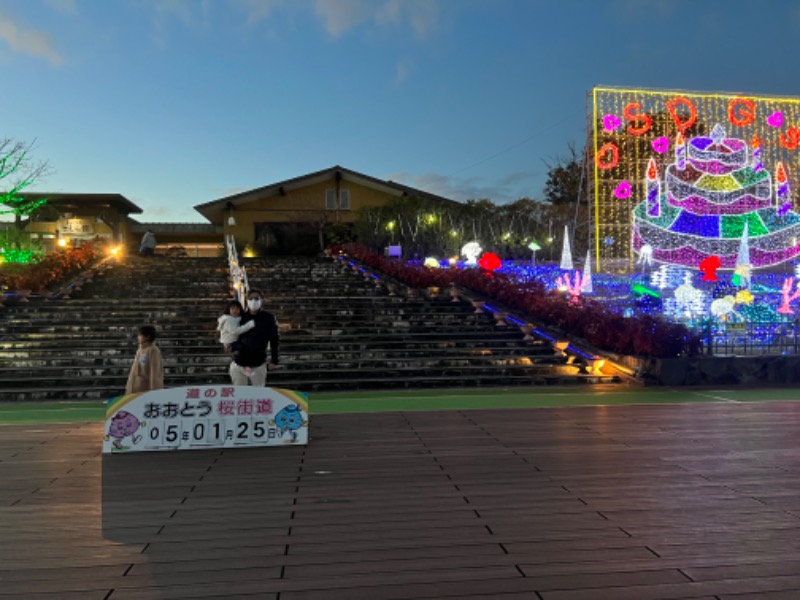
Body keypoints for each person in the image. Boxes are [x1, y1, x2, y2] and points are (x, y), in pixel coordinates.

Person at [229, 289, 280, 386]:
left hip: (258, 364)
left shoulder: (268, 318)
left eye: (256, 298)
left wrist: (274, 360)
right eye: (250, 298)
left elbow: (274, 339)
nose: (253, 301)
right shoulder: (241, 317)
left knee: (258, 395)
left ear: (262, 300)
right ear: (247, 300)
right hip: (239, 364)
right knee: (239, 395)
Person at [125, 325, 164, 394]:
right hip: (135, 387)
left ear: (148, 337)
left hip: (144, 388)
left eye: (140, 335)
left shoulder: (153, 350)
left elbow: (154, 373)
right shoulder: (140, 349)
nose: (138, 337)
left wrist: (154, 392)